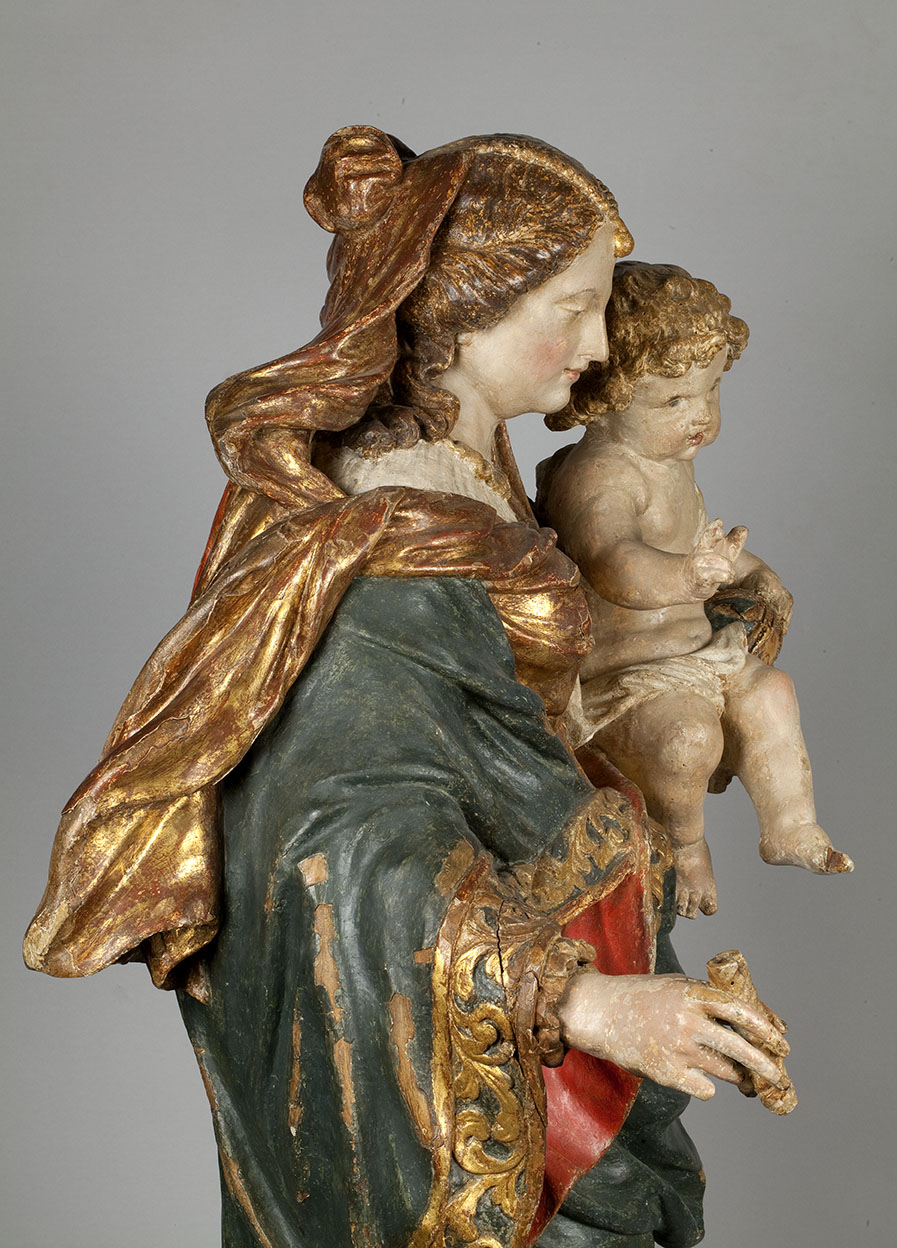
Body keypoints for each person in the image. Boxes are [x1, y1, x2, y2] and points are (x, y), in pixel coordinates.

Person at [24, 132, 788, 1248]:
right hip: (487, 1040)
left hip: (570, 934)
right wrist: (583, 1002)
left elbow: (519, 732)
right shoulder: (395, 552)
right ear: (467, 309)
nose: (599, 342)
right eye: (573, 308)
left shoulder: (474, 483)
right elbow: (337, 847)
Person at [537, 262, 853, 921]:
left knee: (772, 693)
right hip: (628, 678)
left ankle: (789, 824)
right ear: (601, 396)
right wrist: (687, 576)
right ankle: (684, 847)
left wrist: (751, 572)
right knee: (688, 742)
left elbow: (698, 546)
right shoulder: (599, 475)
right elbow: (613, 563)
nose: (700, 416)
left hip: (699, 655)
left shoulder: (668, 464)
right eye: (673, 401)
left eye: (710, 391)